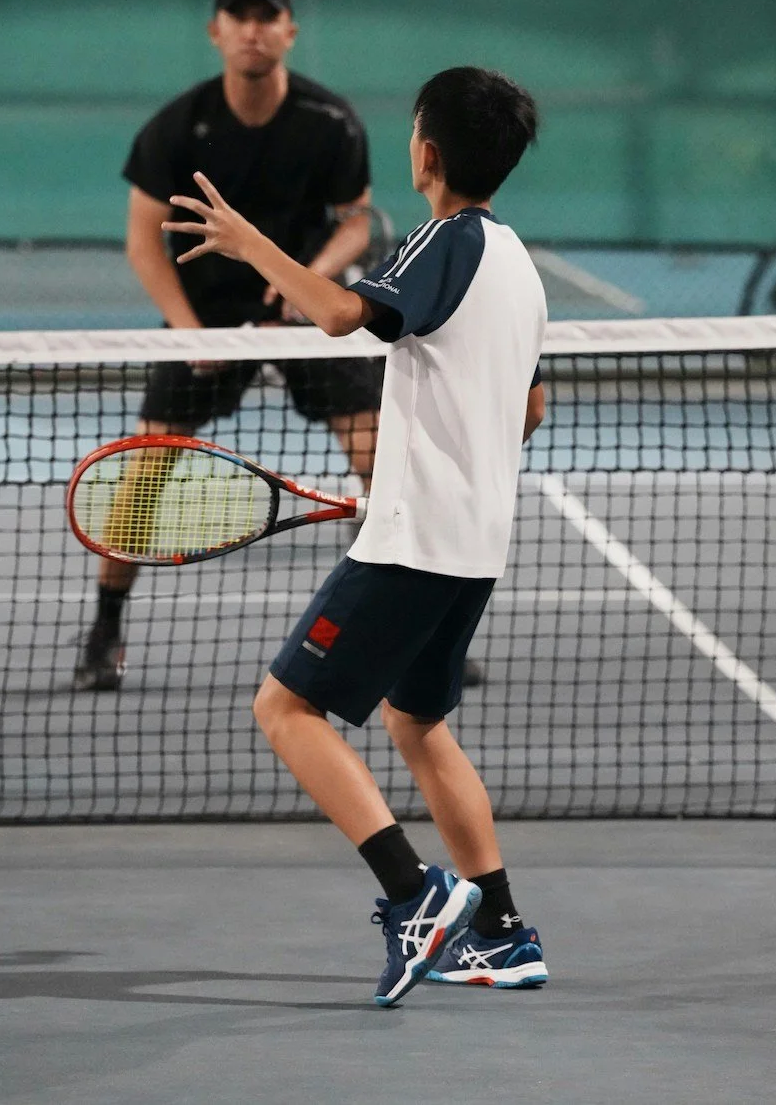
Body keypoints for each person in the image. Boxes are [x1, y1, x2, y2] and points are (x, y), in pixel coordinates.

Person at [164, 66, 549, 1005]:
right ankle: (500, 933)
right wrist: (431, 476)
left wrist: (252, 244)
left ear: (428, 153)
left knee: (285, 710)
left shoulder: (446, 240)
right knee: (416, 723)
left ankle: (416, 898)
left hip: (415, 543)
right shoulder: (519, 264)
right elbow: (528, 409)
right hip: (472, 542)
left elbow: (340, 314)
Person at [74, 0, 383, 691]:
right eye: (238, 17)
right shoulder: (177, 128)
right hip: (206, 315)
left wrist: (308, 279)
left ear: (289, 32)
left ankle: (405, 626)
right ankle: (105, 626)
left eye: (266, 16)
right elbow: (143, 242)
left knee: (384, 459)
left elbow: (357, 222)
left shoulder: (330, 122)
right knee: (142, 476)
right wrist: (189, 334)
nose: (252, 29)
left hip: (302, 315)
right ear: (216, 32)